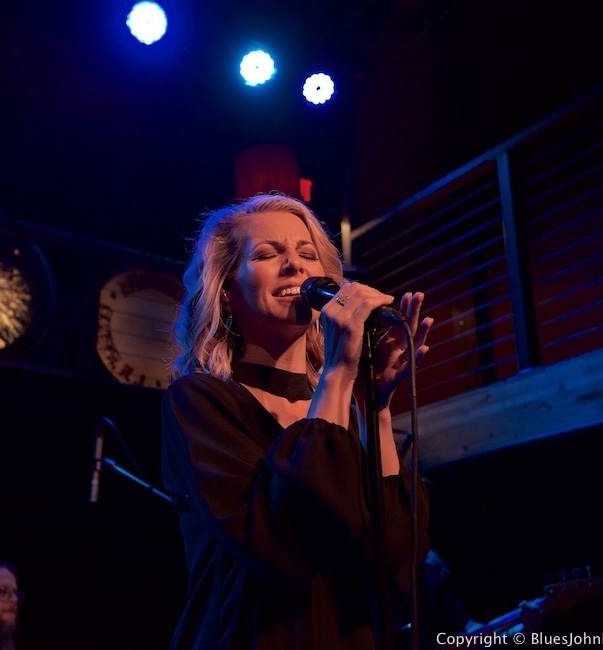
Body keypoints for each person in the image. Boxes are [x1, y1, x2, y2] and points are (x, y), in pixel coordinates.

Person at [161, 192, 435, 649]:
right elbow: (282, 546)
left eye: (307, 254)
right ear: (226, 291)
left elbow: (397, 566)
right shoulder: (199, 401)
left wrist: (376, 409)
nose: (295, 265)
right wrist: (338, 373)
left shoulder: (343, 411)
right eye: (268, 255)